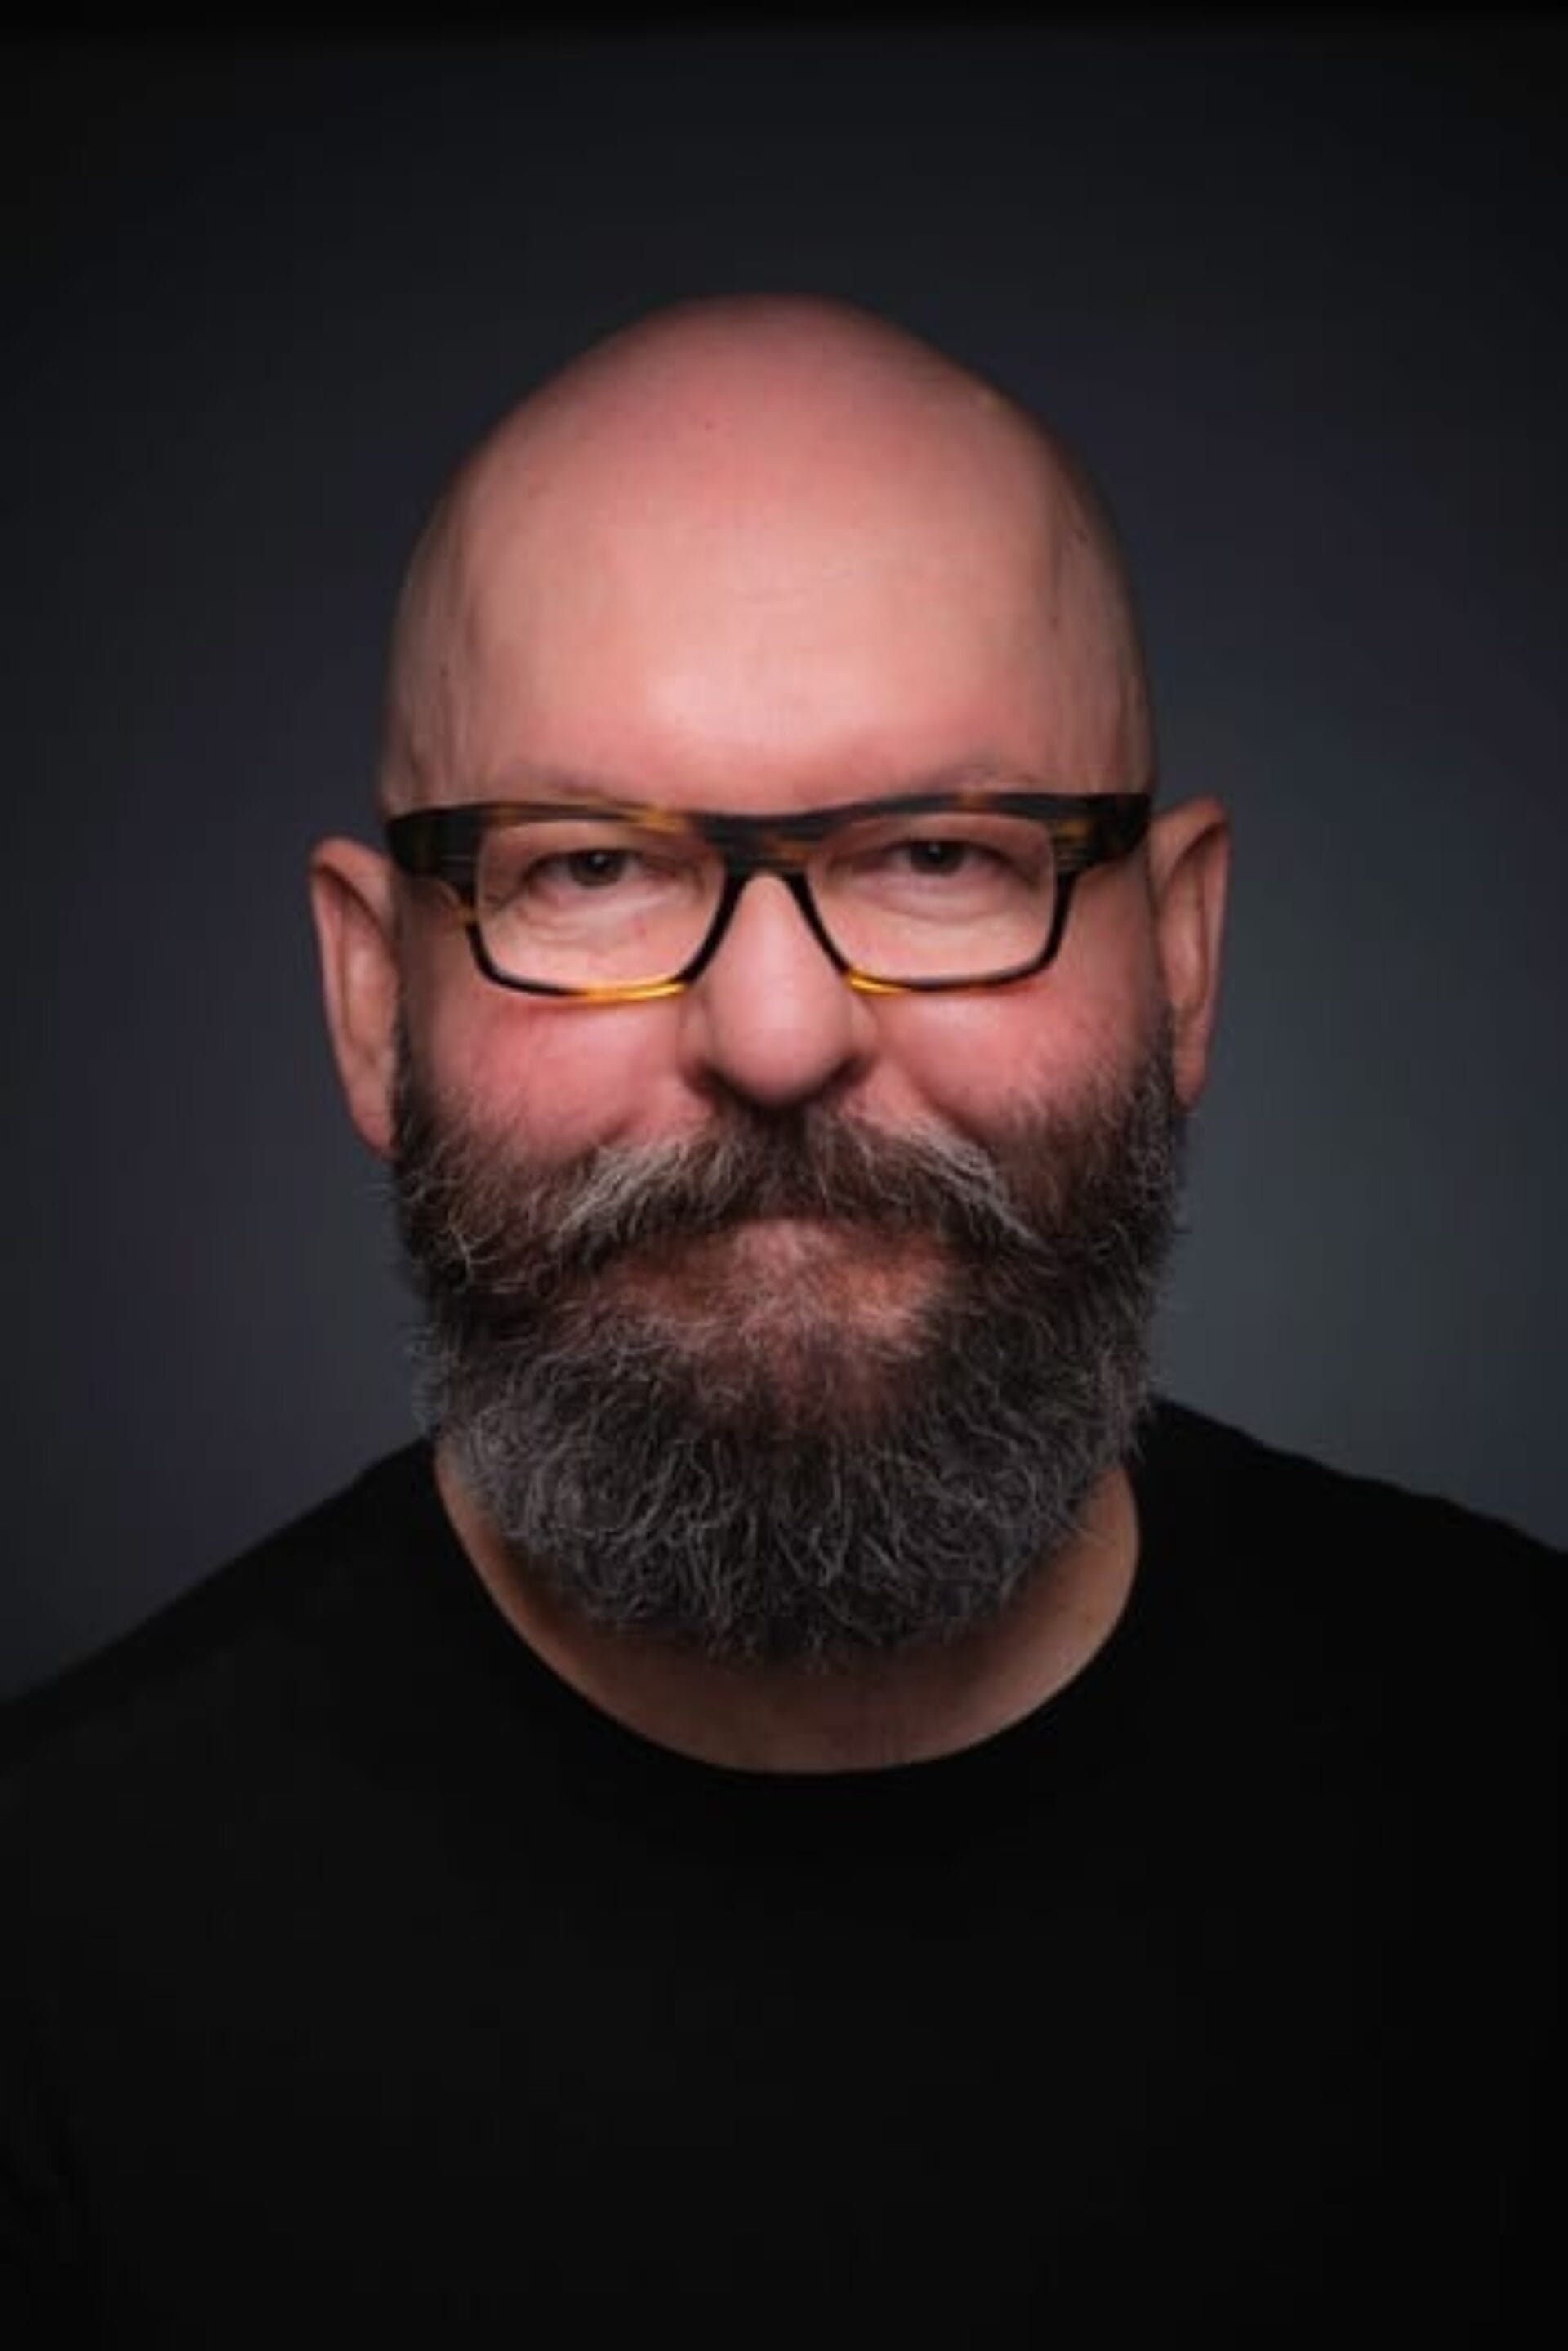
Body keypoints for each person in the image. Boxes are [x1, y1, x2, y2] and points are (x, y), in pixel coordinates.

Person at [1, 296, 1557, 2345]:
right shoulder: (48, 1967)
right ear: (374, 998)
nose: (776, 1031)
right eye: (587, 870)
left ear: (1184, 959)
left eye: (938, 853)